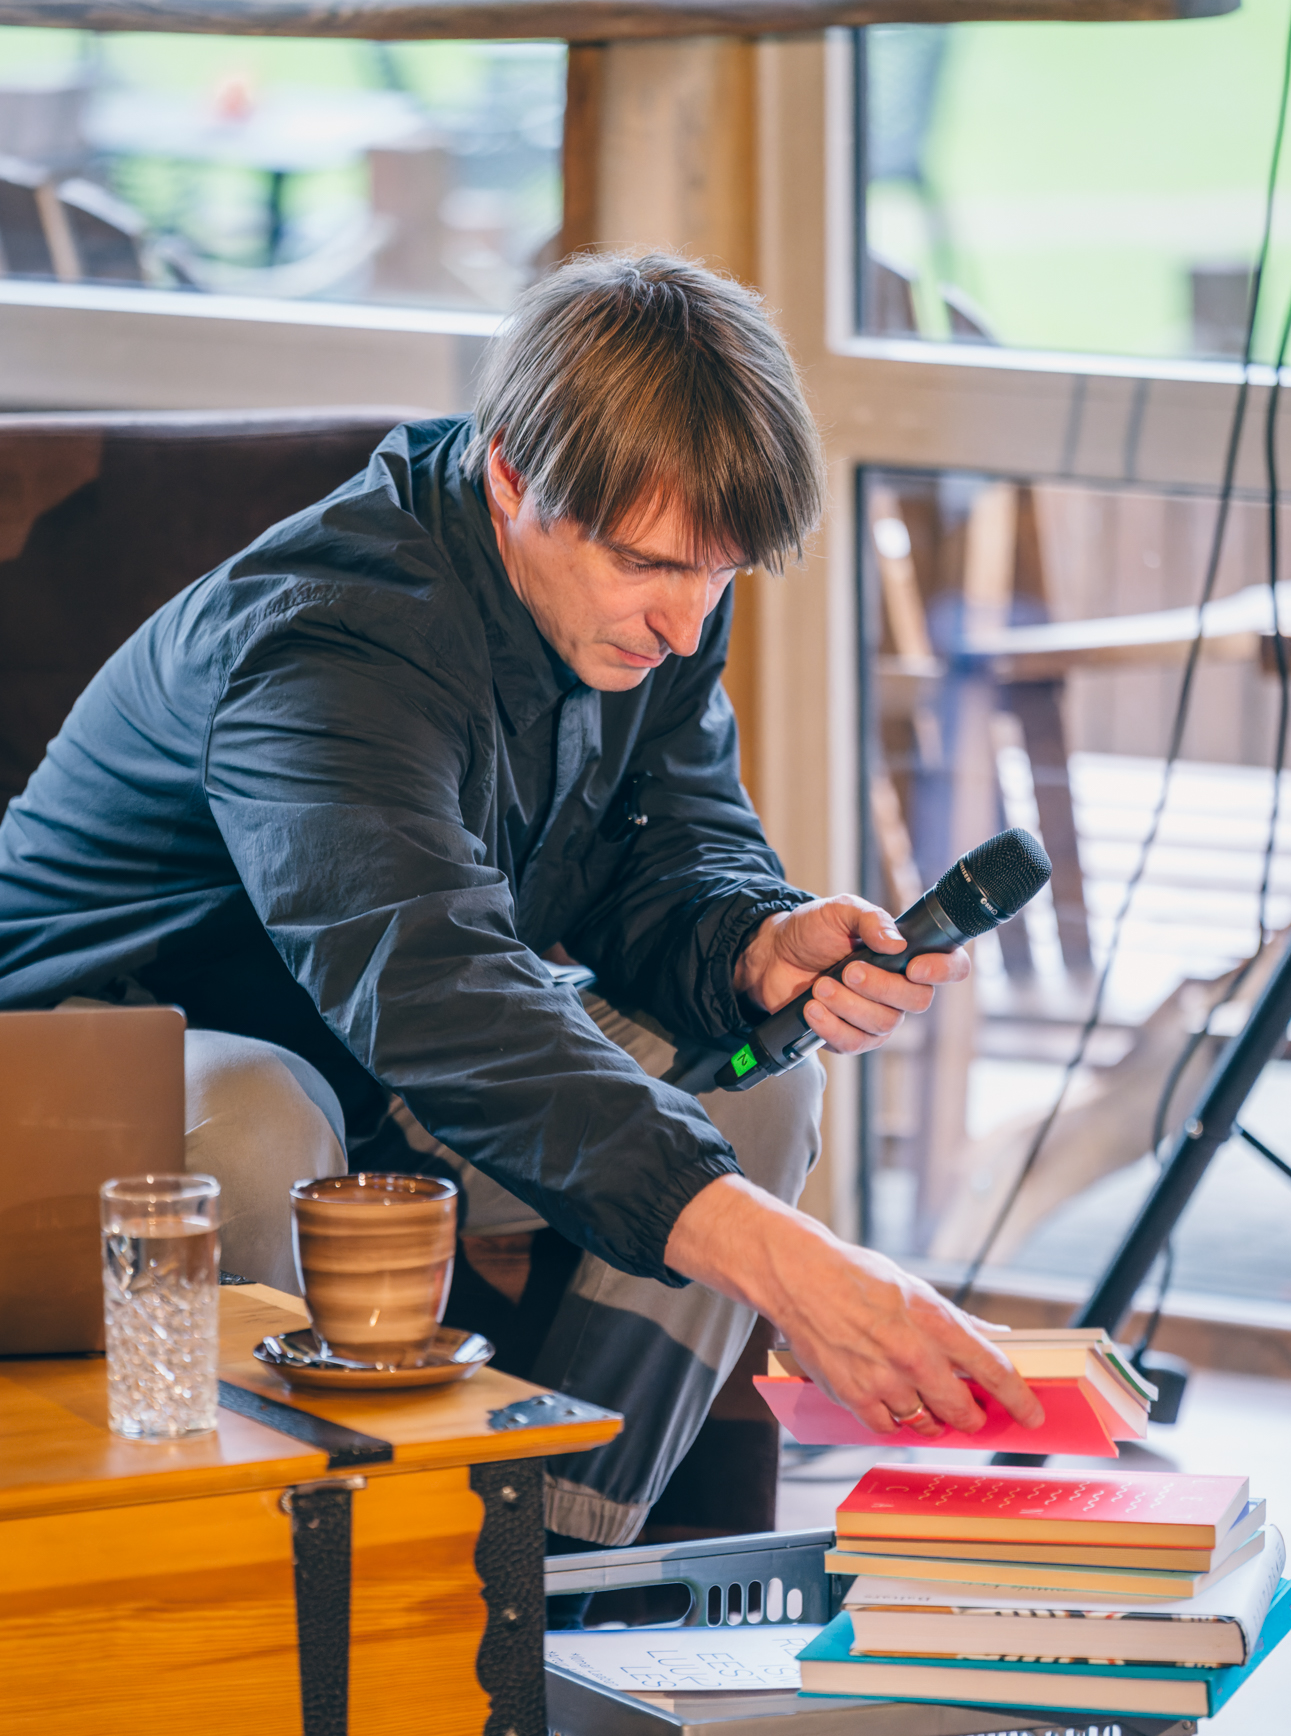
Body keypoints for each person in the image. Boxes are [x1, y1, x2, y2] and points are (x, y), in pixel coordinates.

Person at [0, 253, 1041, 1544]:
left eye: (716, 573)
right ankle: (283, 1598)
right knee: (263, 1121)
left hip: (358, 1059)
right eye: (648, 565)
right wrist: (792, 1264)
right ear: (510, 475)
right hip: (77, 1071)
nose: (683, 623)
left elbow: (666, 845)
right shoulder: (327, 643)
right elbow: (439, 995)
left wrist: (752, 944)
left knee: (759, 1082)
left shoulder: (648, 602)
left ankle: (541, 1572)